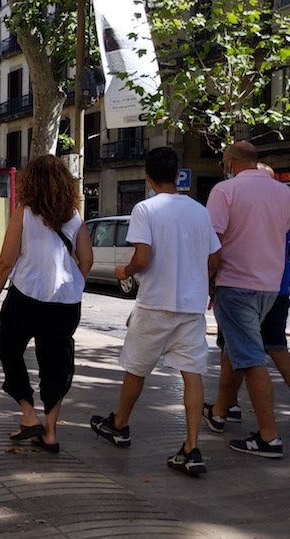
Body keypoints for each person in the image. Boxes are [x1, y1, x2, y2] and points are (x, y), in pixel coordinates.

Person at [89, 148, 221, 476]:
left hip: (154, 303)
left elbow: (143, 257)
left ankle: (119, 425)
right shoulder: (199, 211)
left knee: (136, 368)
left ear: (148, 177)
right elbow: (215, 258)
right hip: (190, 307)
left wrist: (126, 271)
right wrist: (202, 284)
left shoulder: (145, 209)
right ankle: (191, 447)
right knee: (192, 374)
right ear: (177, 175)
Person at [0, 155, 93, 453]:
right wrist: (74, 283)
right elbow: (87, 259)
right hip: (65, 303)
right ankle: (50, 433)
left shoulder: (24, 213)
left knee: (9, 349)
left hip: (25, 296)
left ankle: (28, 413)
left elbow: (6, 261)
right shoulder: (74, 216)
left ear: (30, 181)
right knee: (56, 362)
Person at [202, 142, 290, 458]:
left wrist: (208, 282)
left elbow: (214, 243)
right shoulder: (284, 193)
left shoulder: (225, 191)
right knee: (233, 350)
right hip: (270, 285)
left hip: (236, 284)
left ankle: (269, 436)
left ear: (231, 161)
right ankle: (221, 411)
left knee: (251, 358)